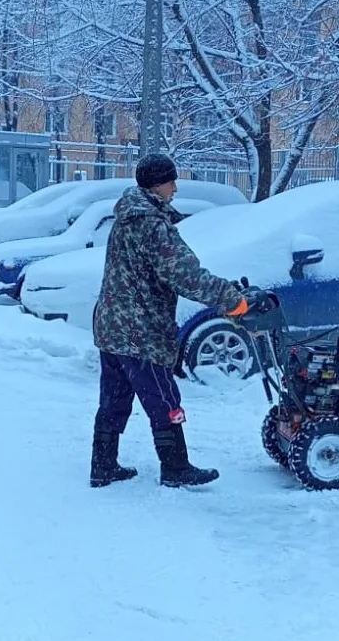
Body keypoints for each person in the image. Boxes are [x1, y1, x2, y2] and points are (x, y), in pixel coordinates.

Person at [91, 152, 263, 489]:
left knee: (114, 398)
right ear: (158, 184)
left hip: (112, 326)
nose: (176, 187)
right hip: (140, 331)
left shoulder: (127, 216)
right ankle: (175, 467)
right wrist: (233, 300)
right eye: (171, 180)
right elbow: (186, 275)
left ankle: (103, 466)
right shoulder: (151, 224)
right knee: (164, 399)